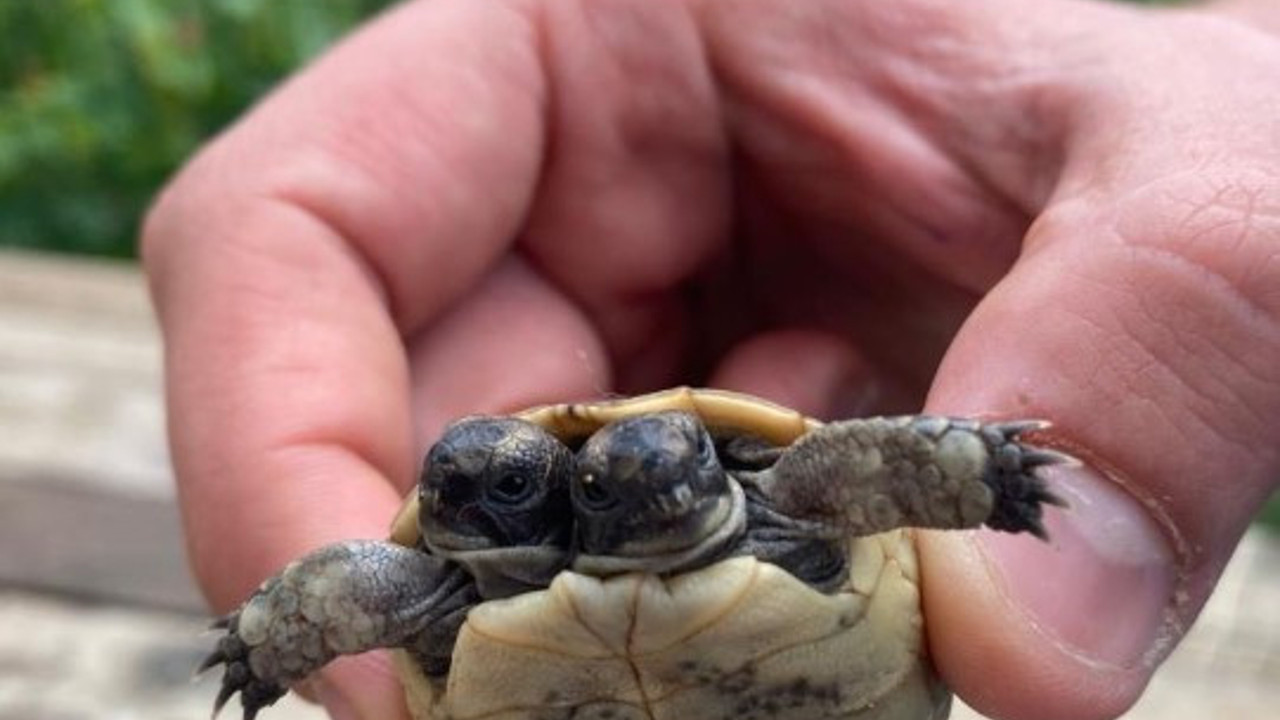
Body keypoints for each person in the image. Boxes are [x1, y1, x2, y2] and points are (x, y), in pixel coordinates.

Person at [141, 1, 1280, 718]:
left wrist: (985, 475)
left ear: (698, 475)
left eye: (629, 476)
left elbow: (850, 472)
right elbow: (346, 585)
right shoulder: (450, 576)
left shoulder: (789, 497)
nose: (614, 487)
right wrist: (271, 638)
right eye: (486, 491)